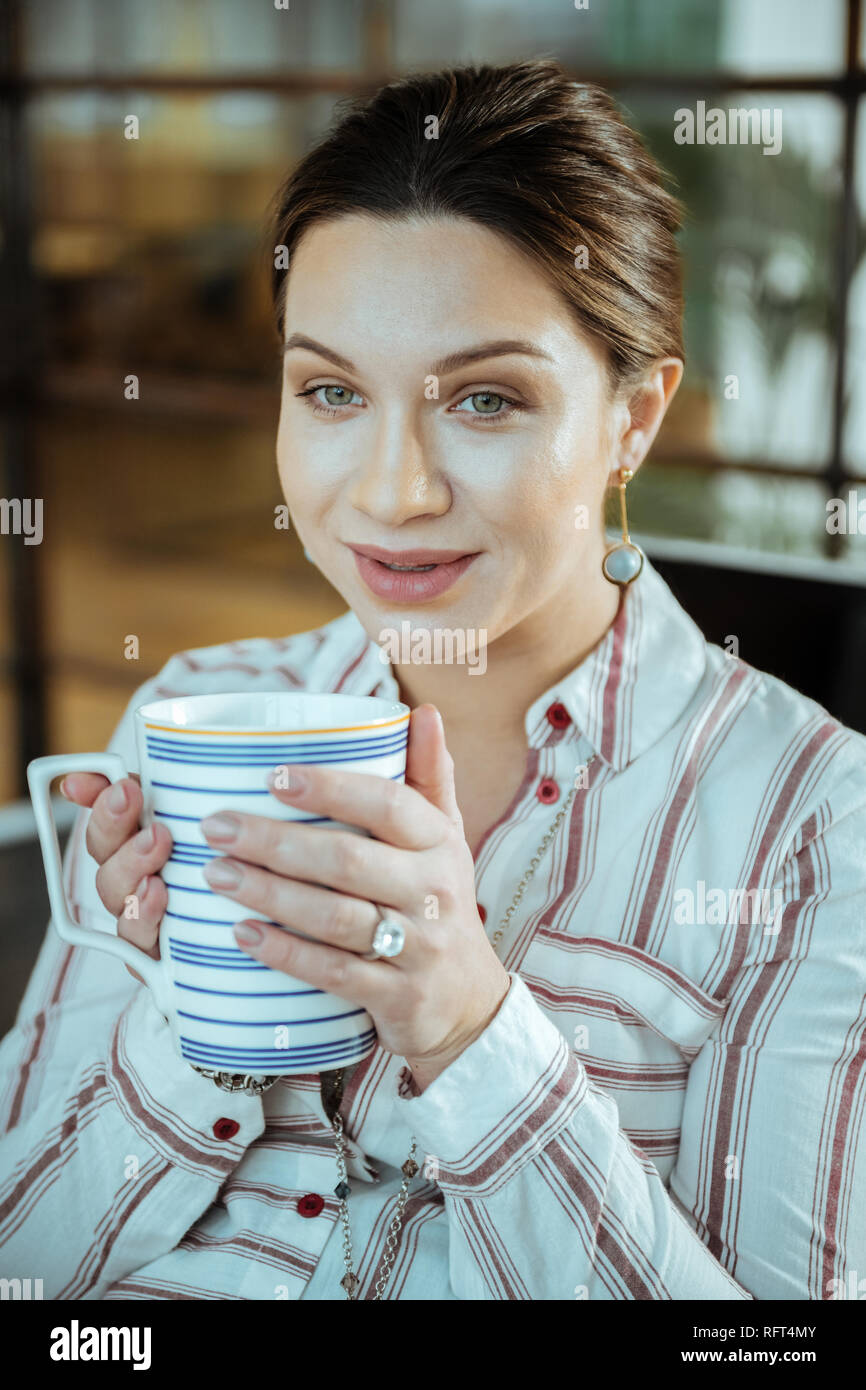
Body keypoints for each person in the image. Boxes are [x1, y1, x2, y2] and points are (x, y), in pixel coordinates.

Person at [2, 58, 865, 1301]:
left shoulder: (812, 826)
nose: (393, 490)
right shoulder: (185, 711)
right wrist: (191, 1022)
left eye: (485, 398)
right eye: (333, 390)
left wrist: (465, 1021)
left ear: (633, 415)